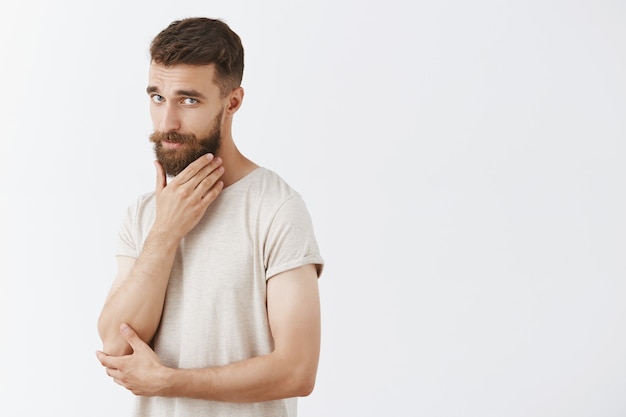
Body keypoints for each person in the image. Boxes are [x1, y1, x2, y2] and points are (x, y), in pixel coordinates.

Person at [96, 17, 324, 417]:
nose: (167, 122)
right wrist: (165, 233)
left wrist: (170, 382)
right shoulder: (144, 215)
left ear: (232, 101)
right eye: (157, 97)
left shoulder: (275, 208)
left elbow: (298, 371)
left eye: (188, 100)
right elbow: (116, 346)